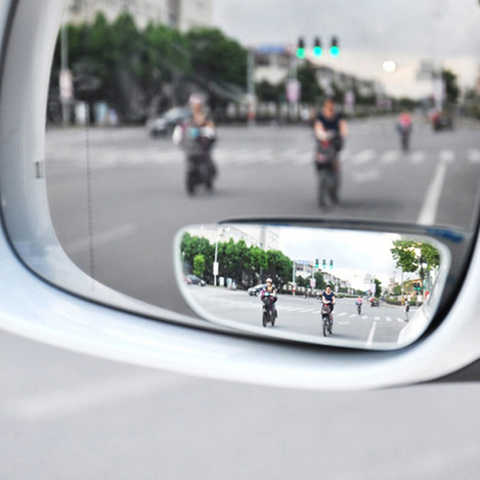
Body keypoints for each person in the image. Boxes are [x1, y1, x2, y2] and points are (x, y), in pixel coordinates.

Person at [172, 93, 217, 192]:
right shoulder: (187, 116)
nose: (195, 106)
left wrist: (208, 134)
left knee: (208, 162)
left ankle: (208, 179)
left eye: (197, 104)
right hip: (191, 147)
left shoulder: (206, 115)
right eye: (194, 104)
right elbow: (181, 129)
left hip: (203, 146)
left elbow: (211, 130)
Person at [313, 96, 348, 202]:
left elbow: (343, 128)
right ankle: (321, 176)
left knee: (335, 163)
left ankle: (334, 189)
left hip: (334, 144)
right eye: (328, 103)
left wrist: (341, 135)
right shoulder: (321, 116)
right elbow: (317, 128)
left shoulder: (338, 116)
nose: (330, 106)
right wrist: (321, 135)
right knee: (317, 159)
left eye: (331, 103)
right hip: (323, 144)